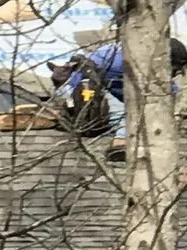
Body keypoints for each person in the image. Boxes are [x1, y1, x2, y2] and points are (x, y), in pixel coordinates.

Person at [51, 38, 187, 161]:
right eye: (174, 69)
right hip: (83, 98)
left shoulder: (131, 54)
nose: (175, 74)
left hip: (88, 91)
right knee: (137, 105)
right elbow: (155, 92)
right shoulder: (122, 62)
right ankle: (120, 143)